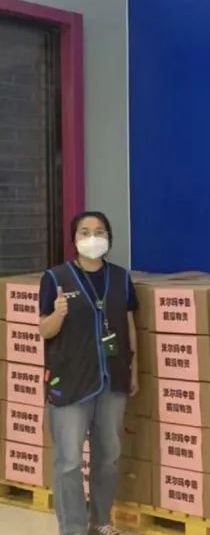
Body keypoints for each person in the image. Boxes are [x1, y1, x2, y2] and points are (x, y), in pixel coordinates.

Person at [38, 212, 139, 535]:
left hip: (112, 379)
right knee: (69, 462)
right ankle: (73, 528)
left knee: (108, 456)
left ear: (108, 237)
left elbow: (129, 325)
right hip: (71, 382)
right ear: (74, 239)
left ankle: (100, 522)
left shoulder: (120, 278)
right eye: (85, 231)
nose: (92, 237)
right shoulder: (55, 278)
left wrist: (134, 368)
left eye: (99, 231)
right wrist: (58, 314)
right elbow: (44, 330)